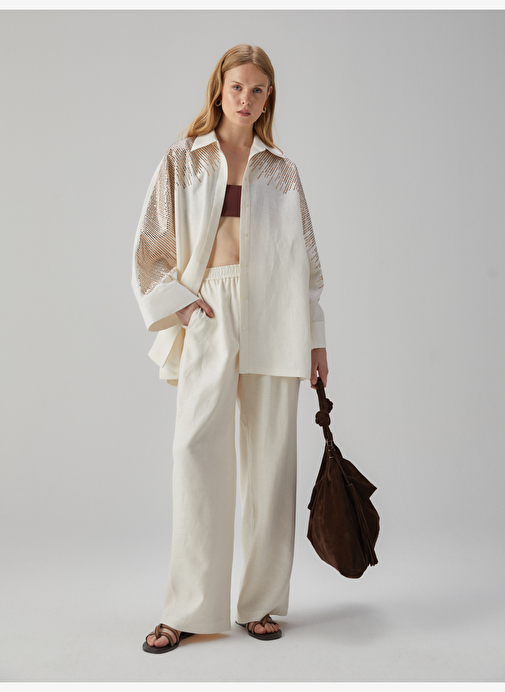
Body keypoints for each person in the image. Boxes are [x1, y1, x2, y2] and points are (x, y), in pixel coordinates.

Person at [132, 44, 328, 653]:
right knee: (195, 451)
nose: (246, 99)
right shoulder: (183, 159)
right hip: (211, 307)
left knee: (271, 461)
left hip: (277, 313)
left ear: (269, 99)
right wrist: (182, 305)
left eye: (258, 90)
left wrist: (317, 340)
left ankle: (260, 603)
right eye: (237, 86)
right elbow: (151, 247)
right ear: (219, 88)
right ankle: (188, 608)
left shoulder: (283, 171)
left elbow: (307, 266)